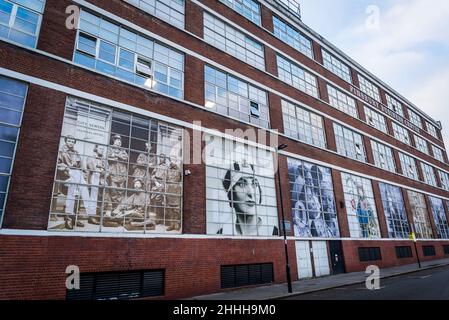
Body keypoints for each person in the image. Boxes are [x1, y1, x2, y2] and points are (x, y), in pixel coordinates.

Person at [220, 160, 278, 236]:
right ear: (231, 195)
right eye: (241, 184)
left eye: (254, 184)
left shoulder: (272, 232)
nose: (251, 193)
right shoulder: (224, 232)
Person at [56, 135, 90, 229]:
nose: (71, 143)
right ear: (66, 141)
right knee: (71, 198)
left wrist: (83, 173)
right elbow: (58, 163)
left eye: (72, 141)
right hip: (67, 177)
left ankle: (75, 218)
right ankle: (68, 220)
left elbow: (80, 166)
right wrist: (67, 168)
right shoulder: (61, 152)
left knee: (78, 198)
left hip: (77, 177)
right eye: (69, 141)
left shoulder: (76, 153)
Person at [106, 134, 129, 213]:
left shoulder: (123, 150)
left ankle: (119, 209)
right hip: (113, 173)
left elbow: (126, 158)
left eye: (120, 141)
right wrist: (118, 156)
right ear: (114, 141)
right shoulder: (110, 148)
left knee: (121, 191)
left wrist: (115, 156)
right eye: (117, 140)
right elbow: (108, 157)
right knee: (113, 191)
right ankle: (114, 207)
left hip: (122, 173)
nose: (119, 142)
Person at [86, 144, 107, 224]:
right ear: (96, 149)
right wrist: (99, 168)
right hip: (94, 180)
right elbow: (91, 167)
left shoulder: (104, 159)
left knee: (101, 199)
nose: (102, 150)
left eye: (103, 149)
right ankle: (91, 218)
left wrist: (104, 172)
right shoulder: (91, 157)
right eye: (100, 148)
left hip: (102, 181)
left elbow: (107, 169)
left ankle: (98, 217)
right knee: (93, 199)